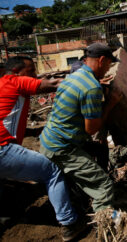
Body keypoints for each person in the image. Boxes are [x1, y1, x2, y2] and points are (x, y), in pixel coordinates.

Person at [0, 57, 84, 241]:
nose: (35, 75)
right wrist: (86, 80)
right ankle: (69, 223)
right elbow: (53, 83)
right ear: (17, 71)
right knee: (52, 171)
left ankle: (5, 217)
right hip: (2, 149)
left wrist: (36, 129)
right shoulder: (14, 81)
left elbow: (6, 119)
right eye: (31, 71)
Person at [40, 43, 123, 214]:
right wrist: (111, 104)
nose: (108, 69)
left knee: (98, 151)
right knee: (104, 185)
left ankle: (80, 196)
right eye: (109, 64)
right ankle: (106, 223)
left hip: (49, 139)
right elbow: (91, 130)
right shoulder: (91, 87)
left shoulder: (74, 76)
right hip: (62, 147)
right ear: (101, 60)